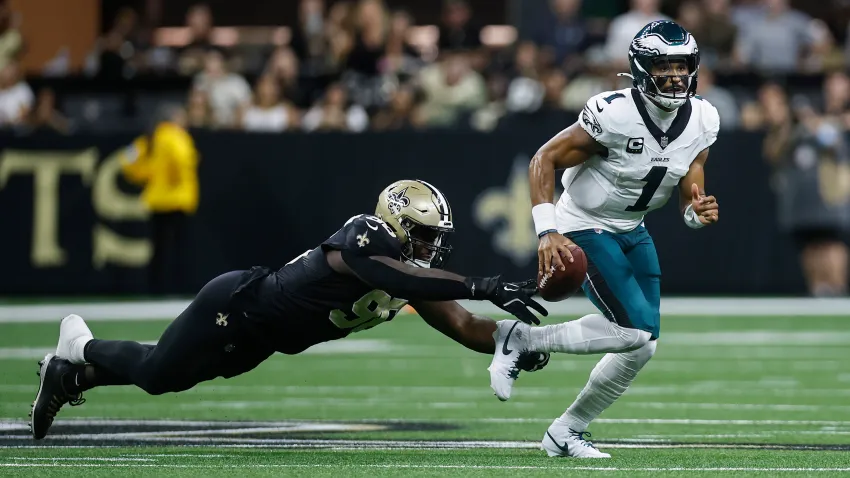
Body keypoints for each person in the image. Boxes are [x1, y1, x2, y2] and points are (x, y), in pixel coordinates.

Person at [29, 179, 550, 440]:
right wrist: (483, 283)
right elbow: (394, 275)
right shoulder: (365, 237)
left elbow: (462, 324)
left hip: (267, 335)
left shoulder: (410, 275)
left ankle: (73, 377)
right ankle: (79, 345)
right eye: (425, 236)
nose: (432, 247)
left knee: (174, 377)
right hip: (239, 305)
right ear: (397, 224)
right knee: (156, 374)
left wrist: (520, 342)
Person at [486, 21, 721, 458]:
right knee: (634, 331)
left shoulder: (704, 118)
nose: (674, 76)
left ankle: (566, 430)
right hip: (582, 221)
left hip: (632, 228)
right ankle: (519, 339)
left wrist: (694, 214)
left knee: (642, 345)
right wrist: (547, 229)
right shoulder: (613, 112)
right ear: (639, 68)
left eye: (681, 66)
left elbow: (691, 190)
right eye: (663, 66)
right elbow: (545, 159)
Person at [121, 105, 200, 295]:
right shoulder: (178, 136)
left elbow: (127, 160)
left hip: (157, 200)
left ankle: (155, 288)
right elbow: (184, 160)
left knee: (158, 248)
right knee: (178, 248)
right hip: (177, 200)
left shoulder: (149, 138)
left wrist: (144, 174)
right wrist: (177, 175)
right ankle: (178, 288)